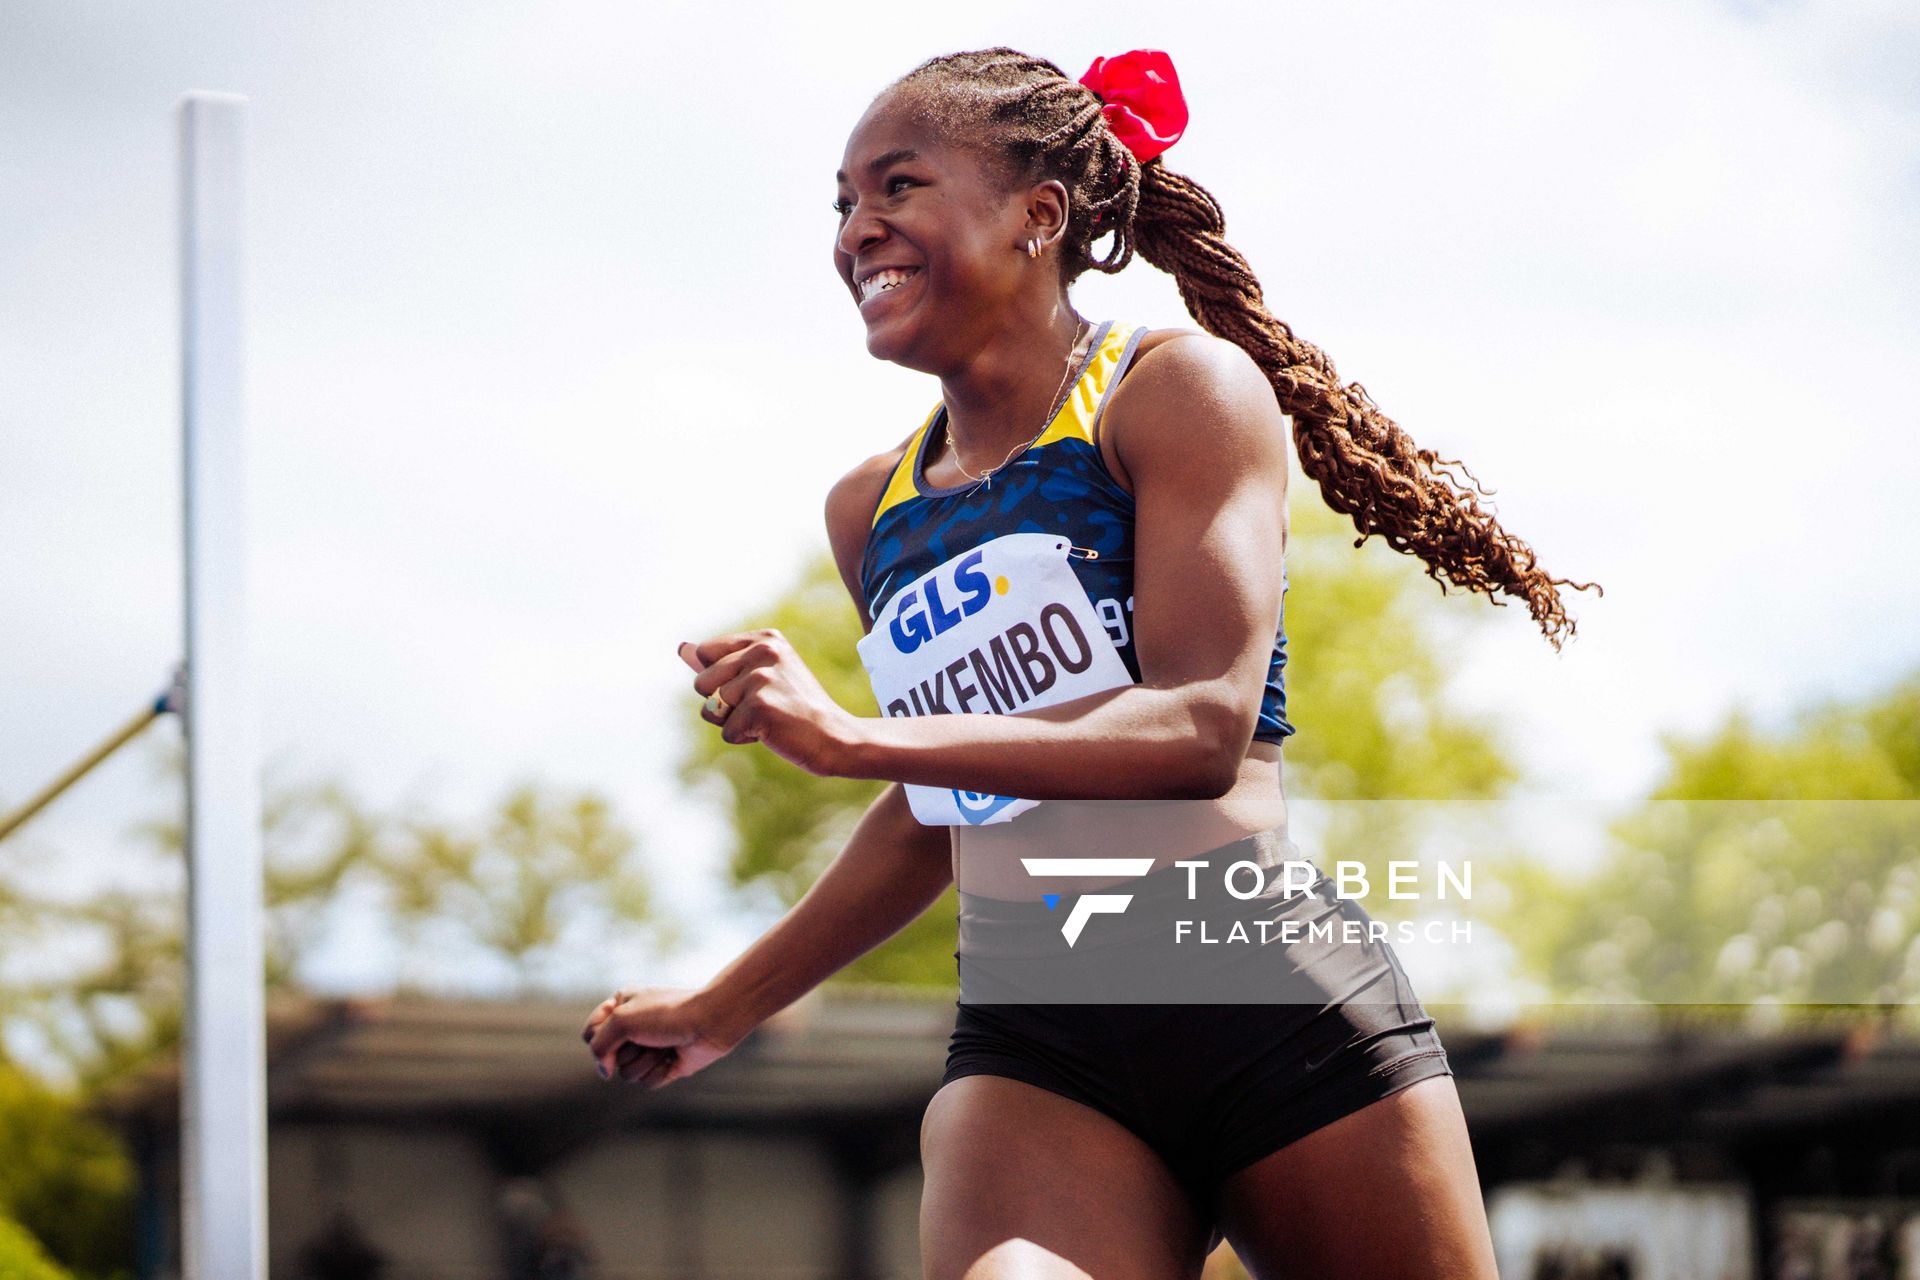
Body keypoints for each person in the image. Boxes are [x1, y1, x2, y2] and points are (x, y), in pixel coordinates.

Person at [585, 46, 1595, 1279]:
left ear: (1038, 214)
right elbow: (940, 810)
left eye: (895, 188)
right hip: (1038, 1033)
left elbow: (1197, 728)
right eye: (842, 203)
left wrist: (854, 733)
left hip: (1260, 994)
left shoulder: (1172, 394)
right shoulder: (874, 510)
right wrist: (717, 1008)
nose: (858, 230)